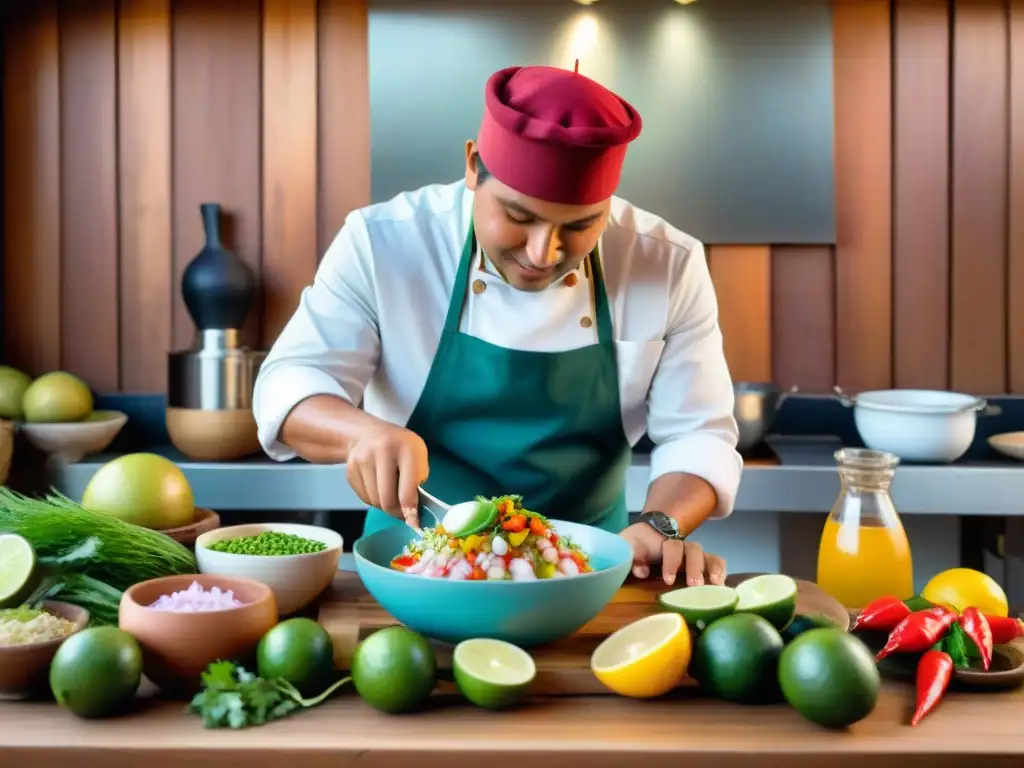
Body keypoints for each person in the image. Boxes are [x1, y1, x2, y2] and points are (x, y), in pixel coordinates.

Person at [253, 64, 743, 587]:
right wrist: (360, 434)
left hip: (589, 572)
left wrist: (658, 525)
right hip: (415, 565)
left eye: (579, 226)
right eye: (518, 216)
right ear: (472, 166)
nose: (543, 252)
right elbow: (289, 384)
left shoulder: (667, 261)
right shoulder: (385, 242)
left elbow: (699, 434)